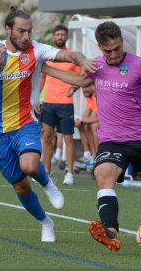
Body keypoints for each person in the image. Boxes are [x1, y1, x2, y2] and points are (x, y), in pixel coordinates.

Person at [41, 21, 141, 251]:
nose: (113, 54)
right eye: (107, 50)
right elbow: (80, 81)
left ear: (121, 42)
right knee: (103, 174)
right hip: (112, 139)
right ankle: (110, 231)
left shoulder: (139, 65)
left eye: (116, 48)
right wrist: (44, 67)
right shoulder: (96, 65)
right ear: (100, 47)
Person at [0, 6, 94, 242]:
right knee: (21, 188)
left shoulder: (36, 50)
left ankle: (48, 182)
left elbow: (68, 56)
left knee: (29, 165)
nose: (26, 36)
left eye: (29, 31)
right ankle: (46, 223)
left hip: (25, 122)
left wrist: (82, 59)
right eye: (21, 31)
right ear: (8, 30)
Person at [39, 24, 81, 186]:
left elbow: (81, 76)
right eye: (57, 35)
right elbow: (42, 77)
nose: (60, 37)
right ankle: (47, 172)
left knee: (68, 138)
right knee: (47, 137)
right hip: (48, 102)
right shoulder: (48, 55)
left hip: (65, 103)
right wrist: (36, 98)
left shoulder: (72, 56)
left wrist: (75, 88)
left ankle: (69, 173)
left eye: (62, 35)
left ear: (67, 37)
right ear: (53, 37)